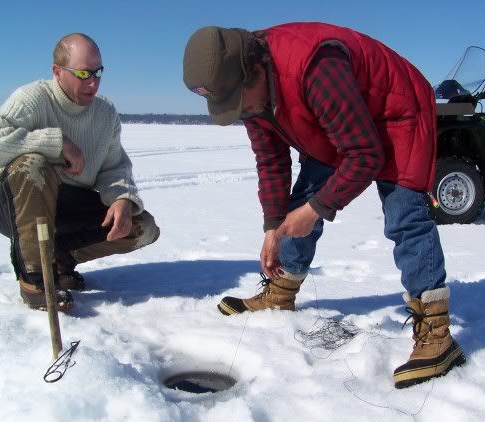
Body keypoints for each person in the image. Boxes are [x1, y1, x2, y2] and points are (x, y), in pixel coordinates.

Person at [183, 22, 465, 388]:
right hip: (341, 117)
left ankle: (437, 334)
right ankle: (281, 292)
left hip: (398, 111)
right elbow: (271, 161)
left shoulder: (316, 66)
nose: (240, 110)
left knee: (403, 215)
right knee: (300, 200)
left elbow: (364, 154)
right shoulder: (252, 93)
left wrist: (316, 209)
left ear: (253, 69)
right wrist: (273, 226)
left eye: (238, 100)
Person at [0, 33, 159, 312]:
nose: (93, 82)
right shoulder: (33, 99)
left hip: (65, 203)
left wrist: (122, 199)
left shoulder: (105, 113)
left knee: (142, 227)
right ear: (57, 72)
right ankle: (36, 279)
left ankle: (59, 258)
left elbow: (114, 167)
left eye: (98, 73)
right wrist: (56, 143)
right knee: (33, 164)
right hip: (11, 204)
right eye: (83, 73)